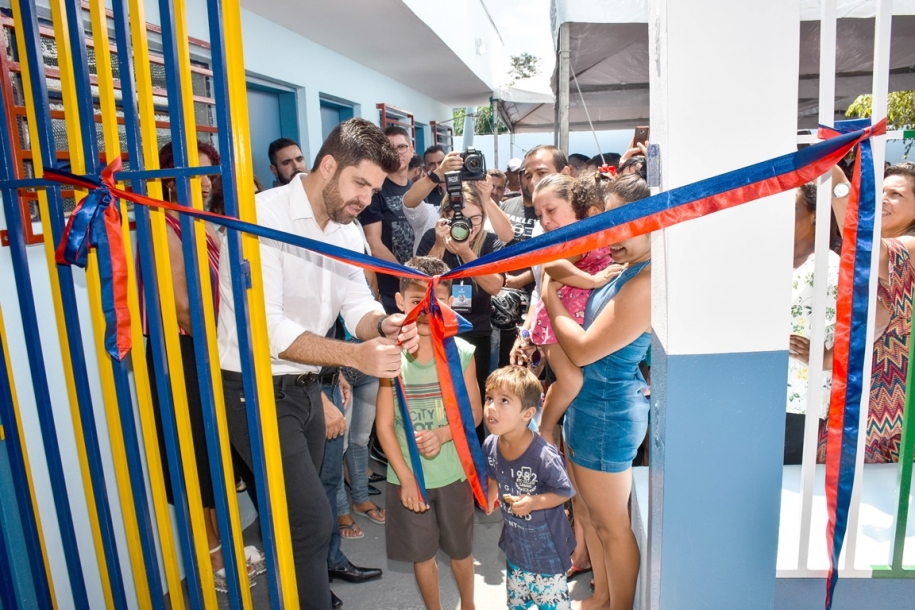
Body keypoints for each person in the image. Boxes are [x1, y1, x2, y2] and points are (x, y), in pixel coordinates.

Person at [217, 117, 419, 609]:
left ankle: (309, 595)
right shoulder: (260, 218)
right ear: (328, 165)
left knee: (302, 519)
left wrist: (383, 325)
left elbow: (355, 301)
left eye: (374, 188)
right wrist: (356, 356)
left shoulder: (345, 228)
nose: (367, 199)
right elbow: (267, 331)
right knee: (310, 519)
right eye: (360, 183)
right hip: (256, 387)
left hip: (308, 387)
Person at [141, 141, 266, 593]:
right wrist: (240, 338)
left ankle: (224, 545)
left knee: (217, 460)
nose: (208, 179)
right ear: (171, 178)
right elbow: (182, 310)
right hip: (185, 358)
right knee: (197, 458)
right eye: (197, 172)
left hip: (213, 352)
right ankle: (214, 554)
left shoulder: (197, 224)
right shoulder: (163, 226)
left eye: (210, 171)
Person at [543, 174, 651, 610]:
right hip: (591, 410)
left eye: (617, 223)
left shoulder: (643, 282)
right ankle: (604, 596)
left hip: (607, 414)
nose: (608, 235)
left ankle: (618, 606)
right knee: (594, 519)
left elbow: (585, 349)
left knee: (612, 526)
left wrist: (550, 299)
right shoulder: (628, 270)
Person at [375, 256, 482, 610]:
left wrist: (442, 435)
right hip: (410, 479)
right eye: (417, 299)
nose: (426, 308)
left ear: (449, 303)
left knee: (460, 550)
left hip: (453, 475)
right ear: (401, 302)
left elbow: (475, 414)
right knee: (422, 555)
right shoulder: (390, 358)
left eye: (436, 299)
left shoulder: (462, 354)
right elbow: (384, 425)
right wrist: (405, 477)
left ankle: (468, 604)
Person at [827, 162, 915, 463]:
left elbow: (868, 252)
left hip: (888, 412)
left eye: (897, 194)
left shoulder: (910, 246)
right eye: (881, 191)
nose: (884, 199)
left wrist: (838, 181)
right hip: (855, 395)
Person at [527, 174, 620, 446]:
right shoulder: (575, 242)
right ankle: (544, 430)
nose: (544, 220)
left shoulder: (592, 236)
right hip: (554, 324)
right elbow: (553, 267)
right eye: (539, 213)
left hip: (574, 325)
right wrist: (592, 281)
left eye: (551, 210)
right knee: (570, 381)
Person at [416, 184, 505, 439]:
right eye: (462, 218)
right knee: (439, 399)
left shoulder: (489, 242)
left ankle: (473, 459)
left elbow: (496, 286)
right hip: (436, 333)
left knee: (473, 401)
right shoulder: (432, 238)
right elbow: (420, 285)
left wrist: (466, 252)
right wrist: (440, 246)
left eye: (476, 218)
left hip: (476, 333)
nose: (469, 224)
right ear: (446, 214)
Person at [482, 366, 575, 610]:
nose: (492, 407)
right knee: (517, 605)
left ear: (527, 414)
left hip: (548, 556)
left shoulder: (544, 456)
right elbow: (492, 475)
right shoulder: (490, 445)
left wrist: (534, 502)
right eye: (489, 398)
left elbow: (564, 492)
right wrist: (490, 495)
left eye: (504, 401)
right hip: (516, 551)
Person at [785, 183, 839, 464]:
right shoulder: (769, 261)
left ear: (815, 214)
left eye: (791, 207)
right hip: (755, 389)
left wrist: (826, 359)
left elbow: (864, 325)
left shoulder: (831, 266)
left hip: (800, 402)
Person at [358, 125, 418, 313]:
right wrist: (405, 277)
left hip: (421, 288)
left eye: (401, 147)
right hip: (391, 292)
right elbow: (373, 244)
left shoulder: (418, 190)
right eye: (390, 149)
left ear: (411, 150)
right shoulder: (375, 191)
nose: (397, 153)